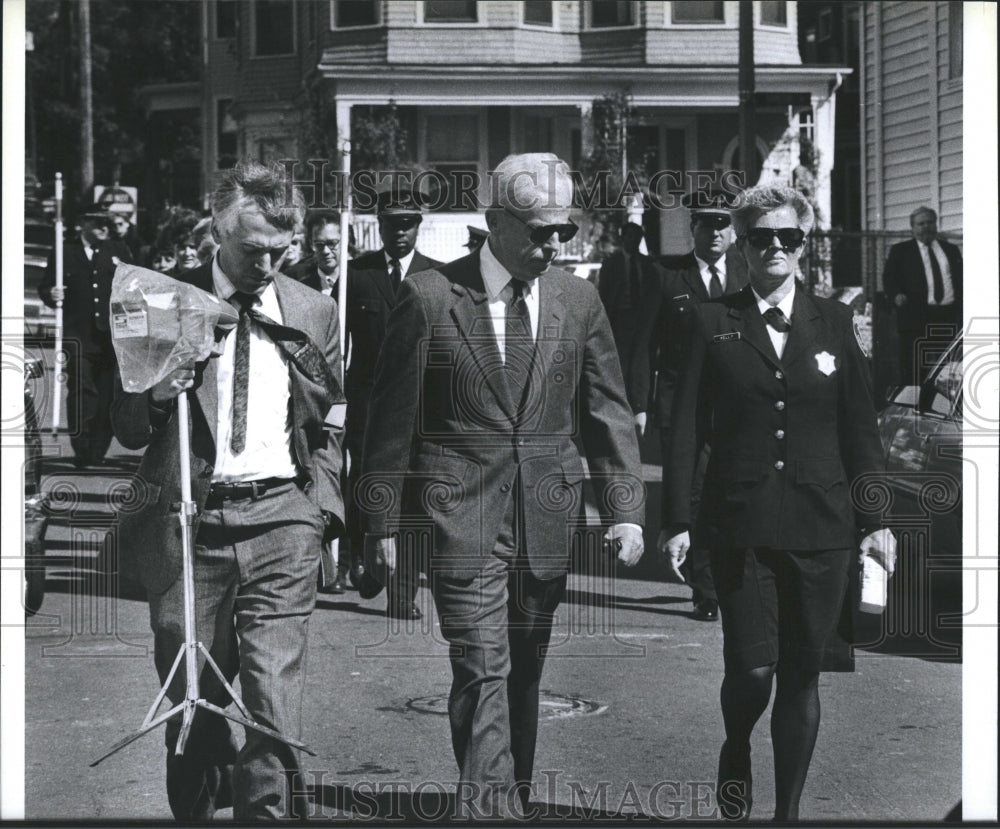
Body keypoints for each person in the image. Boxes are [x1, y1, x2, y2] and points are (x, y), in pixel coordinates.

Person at [359, 153, 645, 819]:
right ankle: (489, 811)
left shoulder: (578, 301)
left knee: (523, 671)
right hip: (462, 515)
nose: (553, 245)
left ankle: (508, 795)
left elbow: (608, 408)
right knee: (481, 665)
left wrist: (625, 507)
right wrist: (380, 525)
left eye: (563, 233)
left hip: (547, 515)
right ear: (495, 222)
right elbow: (390, 420)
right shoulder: (430, 297)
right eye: (540, 231)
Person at [110, 161, 346, 821]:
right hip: (191, 524)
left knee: (274, 703)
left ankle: (265, 811)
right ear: (217, 228)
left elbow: (329, 419)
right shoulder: (163, 299)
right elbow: (121, 426)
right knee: (194, 690)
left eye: (280, 251)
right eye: (251, 251)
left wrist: (322, 512)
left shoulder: (313, 309)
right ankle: (203, 787)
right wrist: (160, 388)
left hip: (282, 521)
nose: (266, 265)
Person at [663, 185, 895, 821]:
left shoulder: (835, 322)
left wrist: (875, 521)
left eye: (787, 238)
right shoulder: (713, 322)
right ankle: (736, 743)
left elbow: (860, 429)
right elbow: (684, 429)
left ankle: (786, 814)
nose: (774, 248)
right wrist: (678, 522)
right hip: (740, 524)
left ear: (803, 247)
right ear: (742, 244)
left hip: (824, 526)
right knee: (752, 670)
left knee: (801, 674)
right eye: (761, 237)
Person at [629, 190, 748, 621]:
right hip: (681, 404)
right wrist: (639, 402)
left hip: (738, 400)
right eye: (706, 224)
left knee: (733, 487)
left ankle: (735, 576)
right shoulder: (665, 275)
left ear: (732, 232)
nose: (715, 233)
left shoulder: (746, 270)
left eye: (723, 225)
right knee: (692, 492)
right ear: (693, 228)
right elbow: (644, 343)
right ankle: (706, 588)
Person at [345, 184, 442, 619]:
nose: (400, 232)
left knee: (413, 499)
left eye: (408, 224)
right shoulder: (357, 275)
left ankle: (402, 592)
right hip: (367, 403)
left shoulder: (437, 276)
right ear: (378, 226)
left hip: (421, 406)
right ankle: (367, 557)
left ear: (418, 227)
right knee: (364, 485)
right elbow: (336, 342)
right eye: (392, 224)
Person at [38, 203, 132, 467]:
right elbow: (46, 286)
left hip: (111, 336)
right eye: (97, 222)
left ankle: (98, 449)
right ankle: (82, 449)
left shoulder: (119, 251)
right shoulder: (64, 251)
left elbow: (135, 286)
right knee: (81, 389)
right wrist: (51, 294)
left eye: (107, 222)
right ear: (83, 224)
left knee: (108, 393)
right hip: (77, 333)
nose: (104, 227)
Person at [882, 206, 963, 384]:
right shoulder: (901, 251)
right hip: (915, 316)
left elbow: (961, 280)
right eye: (921, 224)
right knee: (913, 367)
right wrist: (896, 295)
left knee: (947, 366)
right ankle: (914, 406)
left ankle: (944, 406)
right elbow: (889, 279)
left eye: (930, 222)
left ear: (936, 224)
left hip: (947, 315)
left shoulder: (951, 250)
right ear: (913, 228)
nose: (926, 227)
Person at [596, 221, 659, 410]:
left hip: (643, 320)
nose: (633, 241)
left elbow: (654, 293)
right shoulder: (610, 263)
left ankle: (641, 403)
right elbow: (603, 293)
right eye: (629, 237)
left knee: (641, 362)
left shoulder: (649, 264)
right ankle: (619, 402)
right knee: (619, 362)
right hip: (619, 320)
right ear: (623, 238)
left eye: (637, 237)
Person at [287, 209, 345, 298]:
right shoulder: (300, 285)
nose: (325, 251)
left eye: (332, 243)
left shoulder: (359, 280)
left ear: (344, 241)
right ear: (311, 243)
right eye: (319, 244)